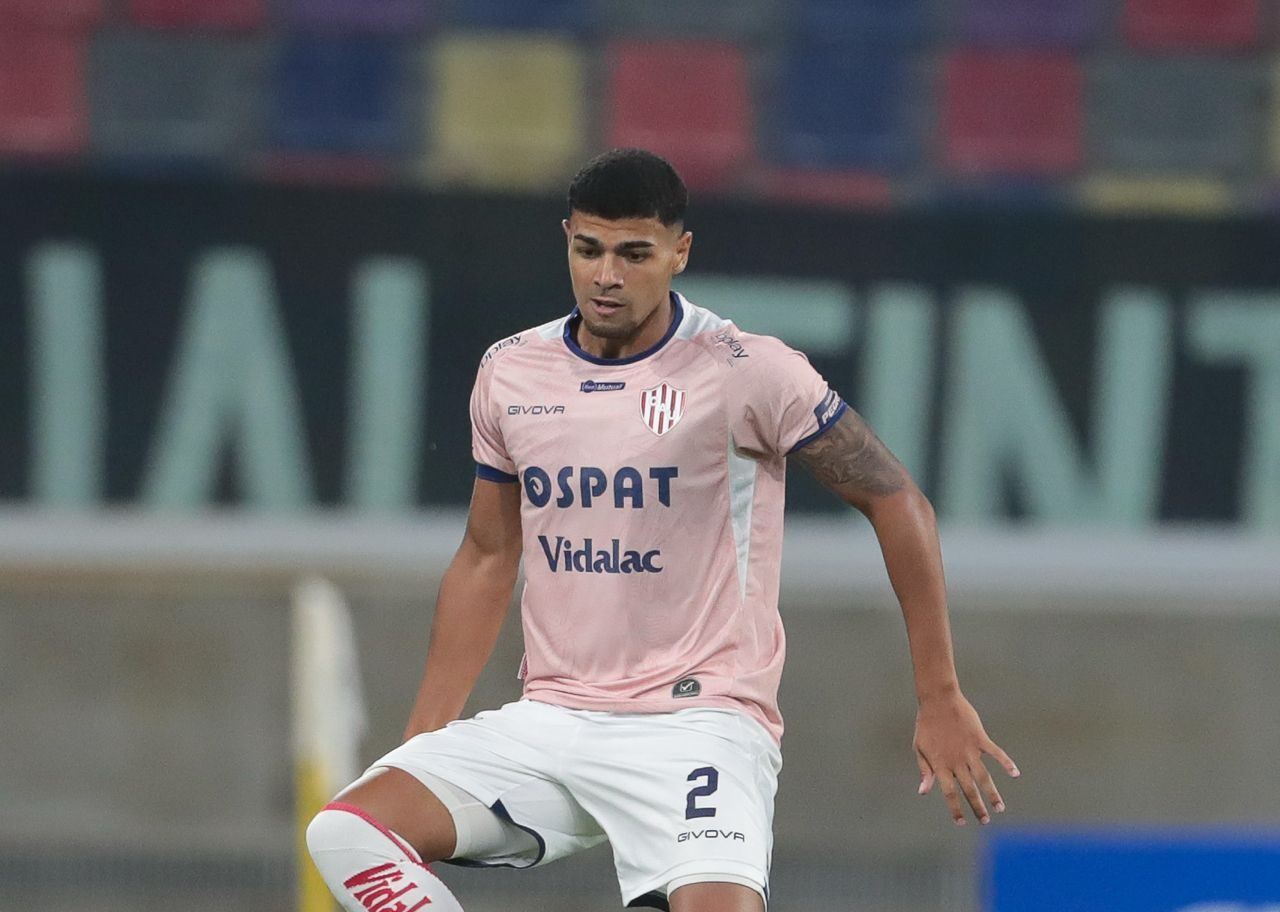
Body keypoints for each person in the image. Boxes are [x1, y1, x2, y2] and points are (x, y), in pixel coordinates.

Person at [306, 148, 1019, 912]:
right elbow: (488, 553)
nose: (606, 275)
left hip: (698, 724)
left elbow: (897, 501)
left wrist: (939, 693)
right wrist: (425, 741)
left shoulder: (747, 370)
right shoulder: (511, 370)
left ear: (680, 252)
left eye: (634, 254)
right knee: (346, 833)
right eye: (589, 250)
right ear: (567, 240)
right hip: (553, 720)